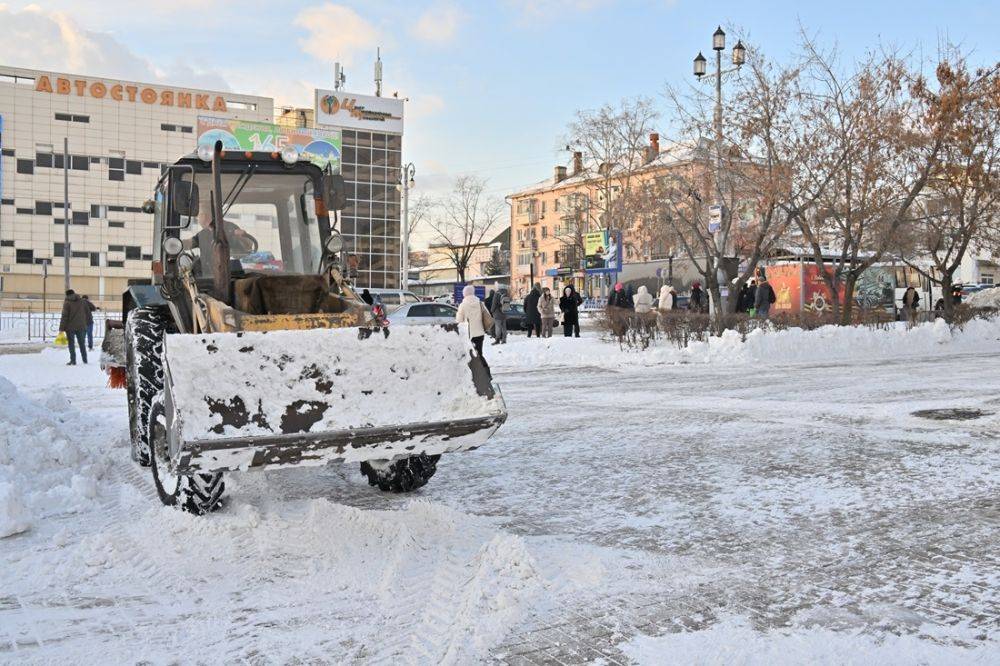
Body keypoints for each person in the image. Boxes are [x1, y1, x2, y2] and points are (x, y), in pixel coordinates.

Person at [455, 284, 492, 370]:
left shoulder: (463, 305)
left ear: (465, 294)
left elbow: (459, 321)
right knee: (479, 354)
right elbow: (487, 315)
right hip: (480, 333)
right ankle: (485, 372)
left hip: (468, 334)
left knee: (469, 355)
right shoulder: (479, 303)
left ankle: (476, 373)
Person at [58, 289, 91, 365]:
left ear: (67, 295)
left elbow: (64, 316)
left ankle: (73, 361)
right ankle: (85, 360)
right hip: (81, 326)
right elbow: (87, 312)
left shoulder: (67, 303)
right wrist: (86, 323)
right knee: (82, 343)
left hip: (70, 327)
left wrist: (61, 328)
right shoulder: (82, 301)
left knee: (71, 344)